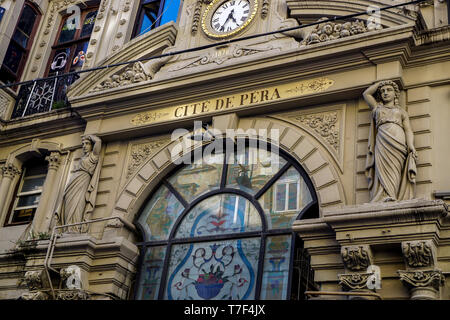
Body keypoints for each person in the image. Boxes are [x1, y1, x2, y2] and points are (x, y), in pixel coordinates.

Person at [363, 80, 417, 202]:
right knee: (382, 168)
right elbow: (366, 94)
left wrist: (411, 145)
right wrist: (381, 82)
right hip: (382, 140)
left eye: (389, 90)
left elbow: (408, 130)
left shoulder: (401, 112)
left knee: (395, 168)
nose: (385, 93)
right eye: (382, 91)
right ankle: (385, 194)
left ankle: (393, 194)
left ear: (395, 94)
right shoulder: (377, 108)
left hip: (398, 142)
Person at [60, 135, 101, 232]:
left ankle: (74, 228)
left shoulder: (93, 156)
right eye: (83, 144)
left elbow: (98, 141)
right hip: (73, 181)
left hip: (83, 180)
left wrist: (89, 135)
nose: (84, 146)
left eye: (87, 144)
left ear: (92, 145)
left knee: (78, 202)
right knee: (68, 203)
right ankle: (68, 227)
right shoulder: (83, 157)